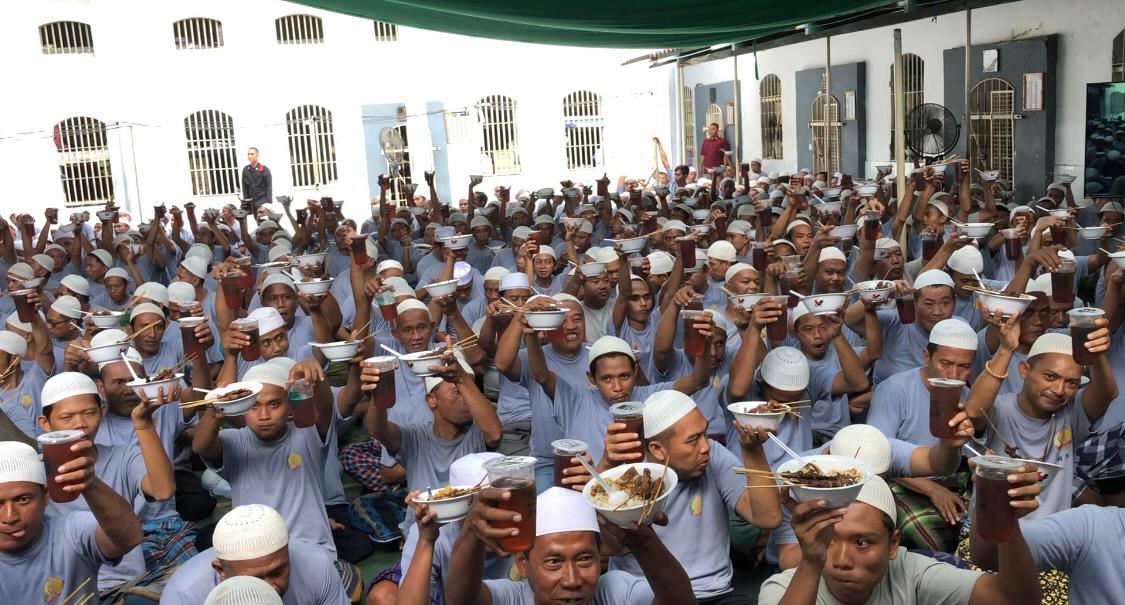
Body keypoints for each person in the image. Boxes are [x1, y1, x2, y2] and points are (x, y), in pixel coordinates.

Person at [758, 474, 1042, 605]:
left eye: (862, 542)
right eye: (829, 540)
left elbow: (1013, 599)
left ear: (893, 544)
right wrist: (810, 562)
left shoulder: (910, 574)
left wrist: (1008, 526)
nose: (842, 561)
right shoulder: (782, 588)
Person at [444, 485, 698, 605]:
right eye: (554, 562)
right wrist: (471, 533)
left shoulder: (615, 591)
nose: (572, 579)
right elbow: (460, 601)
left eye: (585, 558)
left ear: (600, 556)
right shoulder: (512, 597)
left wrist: (646, 544)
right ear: (522, 563)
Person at [966, 325, 1117, 518]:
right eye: (1050, 376)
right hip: (991, 535)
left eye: (1071, 383)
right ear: (1024, 370)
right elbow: (973, 410)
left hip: (1050, 540)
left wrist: (1096, 353)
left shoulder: (1072, 411)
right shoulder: (999, 409)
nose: (1059, 389)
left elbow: (1107, 393)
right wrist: (1005, 349)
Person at [0, 440, 143, 603]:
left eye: (23, 500)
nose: (10, 517)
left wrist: (89, 483)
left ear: (46, 495)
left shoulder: (71, 534)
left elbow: (130, 537)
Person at [163, 504, 348, 605]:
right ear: (221, 570)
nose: (270, 587)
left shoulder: (317, 566)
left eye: (277, 572)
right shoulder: (184, 595)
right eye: (255, 578)